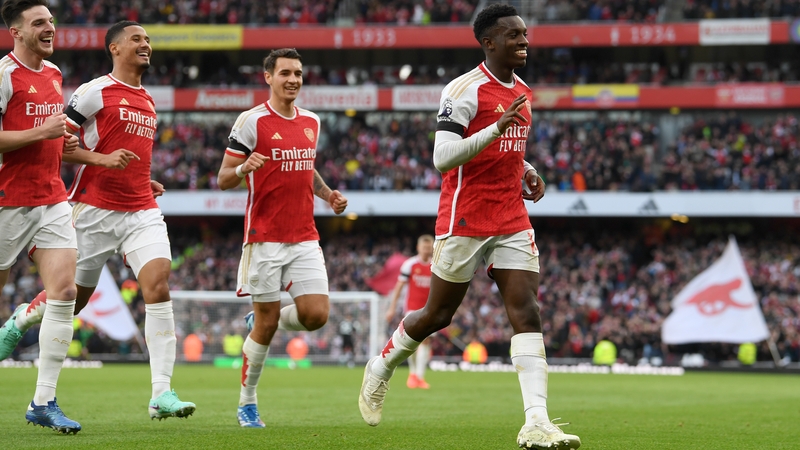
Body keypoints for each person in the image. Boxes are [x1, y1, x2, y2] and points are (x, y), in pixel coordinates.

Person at [358, 5, 581, 449]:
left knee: (527, 309)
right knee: (437, 315)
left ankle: (536, 421)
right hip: (464, 216)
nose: (523, 41)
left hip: (511, 218)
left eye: (525, 34)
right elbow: (443, 157)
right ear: (488, 42)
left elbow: (507, 151)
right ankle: (382, 365)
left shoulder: (522, 91)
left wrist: (527, 170)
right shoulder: (464, 90)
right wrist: (497, 127)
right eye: (513, 35)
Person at [1, 20, 196, 421]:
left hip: (141, 209)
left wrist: (144, 179)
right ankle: (24, 316)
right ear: (115, 48)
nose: (146, 45)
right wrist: (102, 161)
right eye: (137, 39)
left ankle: (162, 393)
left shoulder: (149, 100)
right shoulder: (94, 92)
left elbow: (129, 155)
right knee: (72, 298)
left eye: (148, 40)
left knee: (158, 285)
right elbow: (58, 147)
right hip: (93, 210)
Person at [217, 48, 348, 429]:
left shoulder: (311, 121)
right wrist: (244, 166)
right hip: (265, 238)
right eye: (286, 73)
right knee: (268, 325)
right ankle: (247, 402)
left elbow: (307, 167)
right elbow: (223, 178)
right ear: (268, 77)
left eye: (299, 73)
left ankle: (259, 317)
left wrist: (328, 195)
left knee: (316, 315)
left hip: (305, 235)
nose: (293, 79)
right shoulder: (251, 122)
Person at [0, 0, 82, 434]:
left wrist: (60, 143)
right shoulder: (3, 74)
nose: (49, 28)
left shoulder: (53, 75)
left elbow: (46, 134)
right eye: (39, 23)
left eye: (51, 21)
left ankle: (43, 401)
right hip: (6, 201)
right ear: (16, 31)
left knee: (65, 290)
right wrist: (42, 133)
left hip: (51, 197)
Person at [384, 234, 434, 389]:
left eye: (429, 247)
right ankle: (415, 374)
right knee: (414, 340)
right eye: (424, 247)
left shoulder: (436, 265)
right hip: (412, 309)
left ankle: (417, 376)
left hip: (430, 309)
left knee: (425, 340)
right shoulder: (410, 264)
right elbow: (399, 286)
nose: (426, 250)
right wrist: (392, 308)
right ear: (418, 248)